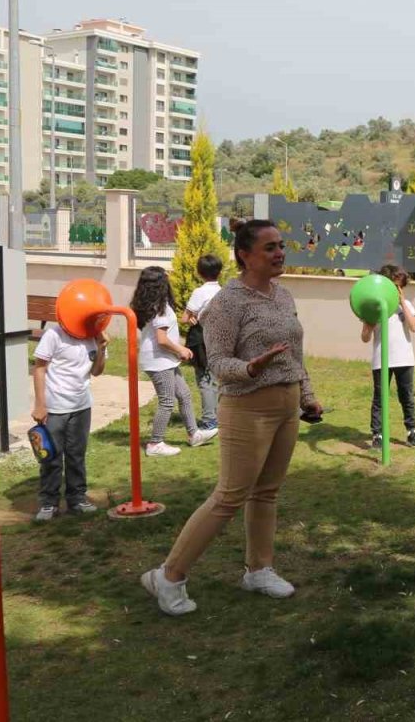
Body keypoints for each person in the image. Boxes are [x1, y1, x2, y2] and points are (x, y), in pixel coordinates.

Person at [141, 219, 324, 616]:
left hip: (286, 405)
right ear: (244, 255)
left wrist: (307, 396)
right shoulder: (227, 302)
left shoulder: (284, 295)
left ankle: (258, 569)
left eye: (280, 246)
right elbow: (218, 363)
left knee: (267, 492)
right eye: (269, 248)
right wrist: (251, 368)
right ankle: (168, 576)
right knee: (229, 496)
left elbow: (294, 353)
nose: (279, 254)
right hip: (247, 406)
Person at [131, 266, 217, 456]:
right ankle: (155, 444)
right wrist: (181, 349)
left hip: (164, 360)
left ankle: (194, 434)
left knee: (184, 395)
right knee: (167, 401)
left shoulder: (152, 304)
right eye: (166, 275)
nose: (170, 277)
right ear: (159, 283)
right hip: (159, 361)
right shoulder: (160, 308)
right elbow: (162, 340)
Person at [30, 317, 109, 521]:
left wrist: (101, 348)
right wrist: (40, 403)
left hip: (82, 406)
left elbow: (97, 371)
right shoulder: (54, 334)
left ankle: (77, 499)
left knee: (76, 455)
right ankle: (49, 503)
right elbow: (39, 368)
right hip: (55, 407)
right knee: (51, 458)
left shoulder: (95, 335)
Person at [360, 264, 415, 449]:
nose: (398, 290)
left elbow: (414, 327)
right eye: (395, 286)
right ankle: (377, 435)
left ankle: (411, 432)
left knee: (406, 396)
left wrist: (402, 302)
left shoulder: (407, 305)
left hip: (404, 359)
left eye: (401, 287)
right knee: (379, 398)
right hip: (381, 360)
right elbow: (364, 338)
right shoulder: (374, 307)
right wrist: (370, 325)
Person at [182, 253, 224, 435]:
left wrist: (192, 319)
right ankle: (219, 416)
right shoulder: (223, 292)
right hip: (221, 339)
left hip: (202, 340)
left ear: (200, 272)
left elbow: (185, 317)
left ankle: (209, 421)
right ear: (219, 272)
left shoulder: (200, 292)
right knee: (215, 379)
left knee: (205, 380)